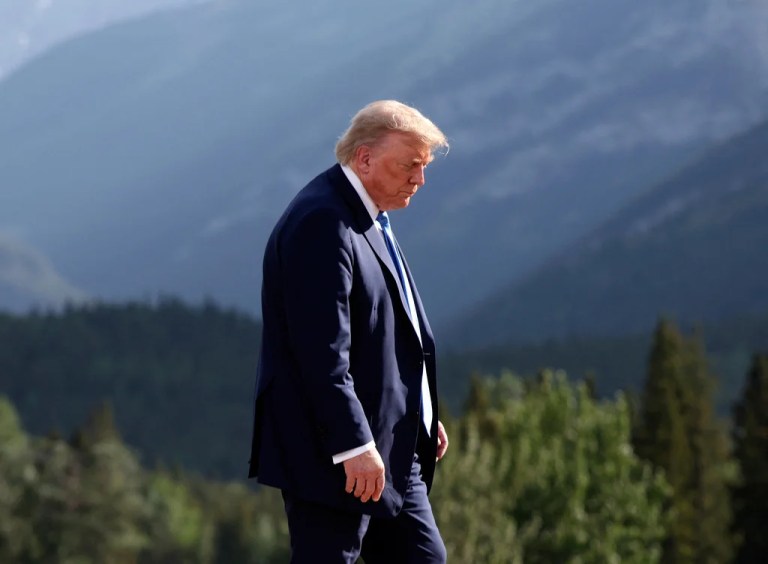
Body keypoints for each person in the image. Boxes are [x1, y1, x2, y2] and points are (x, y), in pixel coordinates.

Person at [248, 100, 450, 563]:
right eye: (410, 165)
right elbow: (321, 353)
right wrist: (353, 444)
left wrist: (418, 411)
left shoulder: (368, 216)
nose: (419, 180)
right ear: (364, 158)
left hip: (390, 446)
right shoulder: (324, 222)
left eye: (423, 166)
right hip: (336, 458)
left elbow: (385, 332)